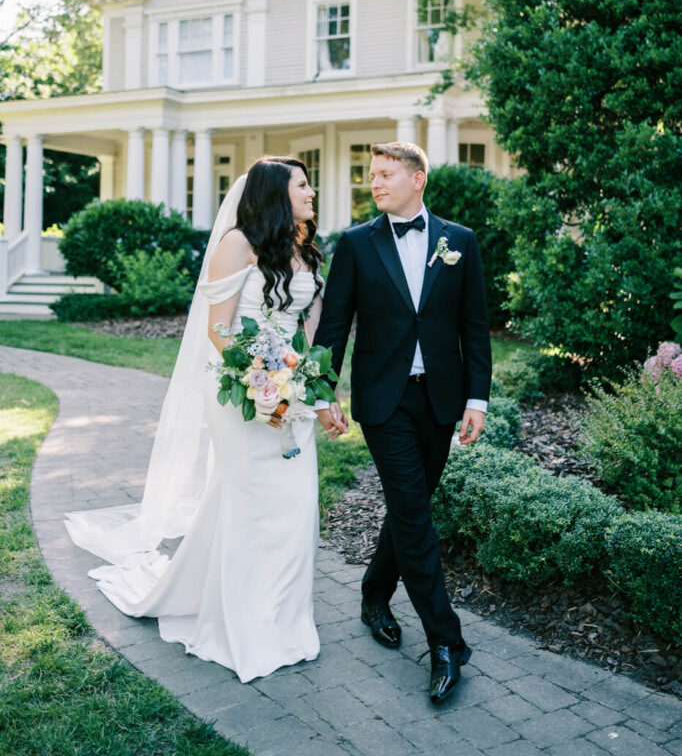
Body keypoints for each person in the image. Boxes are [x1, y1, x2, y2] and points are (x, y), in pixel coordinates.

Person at [65, 157, 346, 683]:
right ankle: (242, 625)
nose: (312, 192)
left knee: (296, 505)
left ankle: (285, 621)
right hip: (242, 391)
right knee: (250, 503)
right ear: (274, 193)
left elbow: (309, 331)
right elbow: (219, 330)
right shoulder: (237, 244)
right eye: (303, 185)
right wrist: (262, 381)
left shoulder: (305, 247)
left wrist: (319, 390)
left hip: (294, 390)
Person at [313, 141, 492, 704]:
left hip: (440, 400)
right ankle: (445, 641)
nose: (376, 183)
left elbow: (476, 328)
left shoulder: (458, 241)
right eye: (372, 175)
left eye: (386, 174)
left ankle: (373, 595)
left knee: (409, 507)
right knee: (414, 513)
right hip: (383, 402)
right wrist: (323, 391)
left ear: (418, 179)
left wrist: (476, 401)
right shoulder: (357, 245)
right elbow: (334, 326)